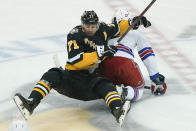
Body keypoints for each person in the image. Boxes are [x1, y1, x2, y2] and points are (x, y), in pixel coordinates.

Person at [13, 10, 131, 126]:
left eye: (93, 26)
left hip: (90, 84)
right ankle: (31, 103)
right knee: (53, 74)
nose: (90, 29)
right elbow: (76, 61)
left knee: (106, 84)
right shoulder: (75, 34)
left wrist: (132, 21)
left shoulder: (103, 29)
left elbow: (118, 27)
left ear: (98, 24)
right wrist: (99, 53)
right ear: (82, 24)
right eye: (87, 26)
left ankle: (117, 110)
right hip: (71, 81)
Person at [99, 9, 167, 102]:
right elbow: (147, 54)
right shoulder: (136, 32)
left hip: (104, 66)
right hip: (124, 63)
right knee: (138, 90)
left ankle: (110, 91)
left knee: (106, 84)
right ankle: (124, 92)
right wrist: (155, 78)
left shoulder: (106, 30)